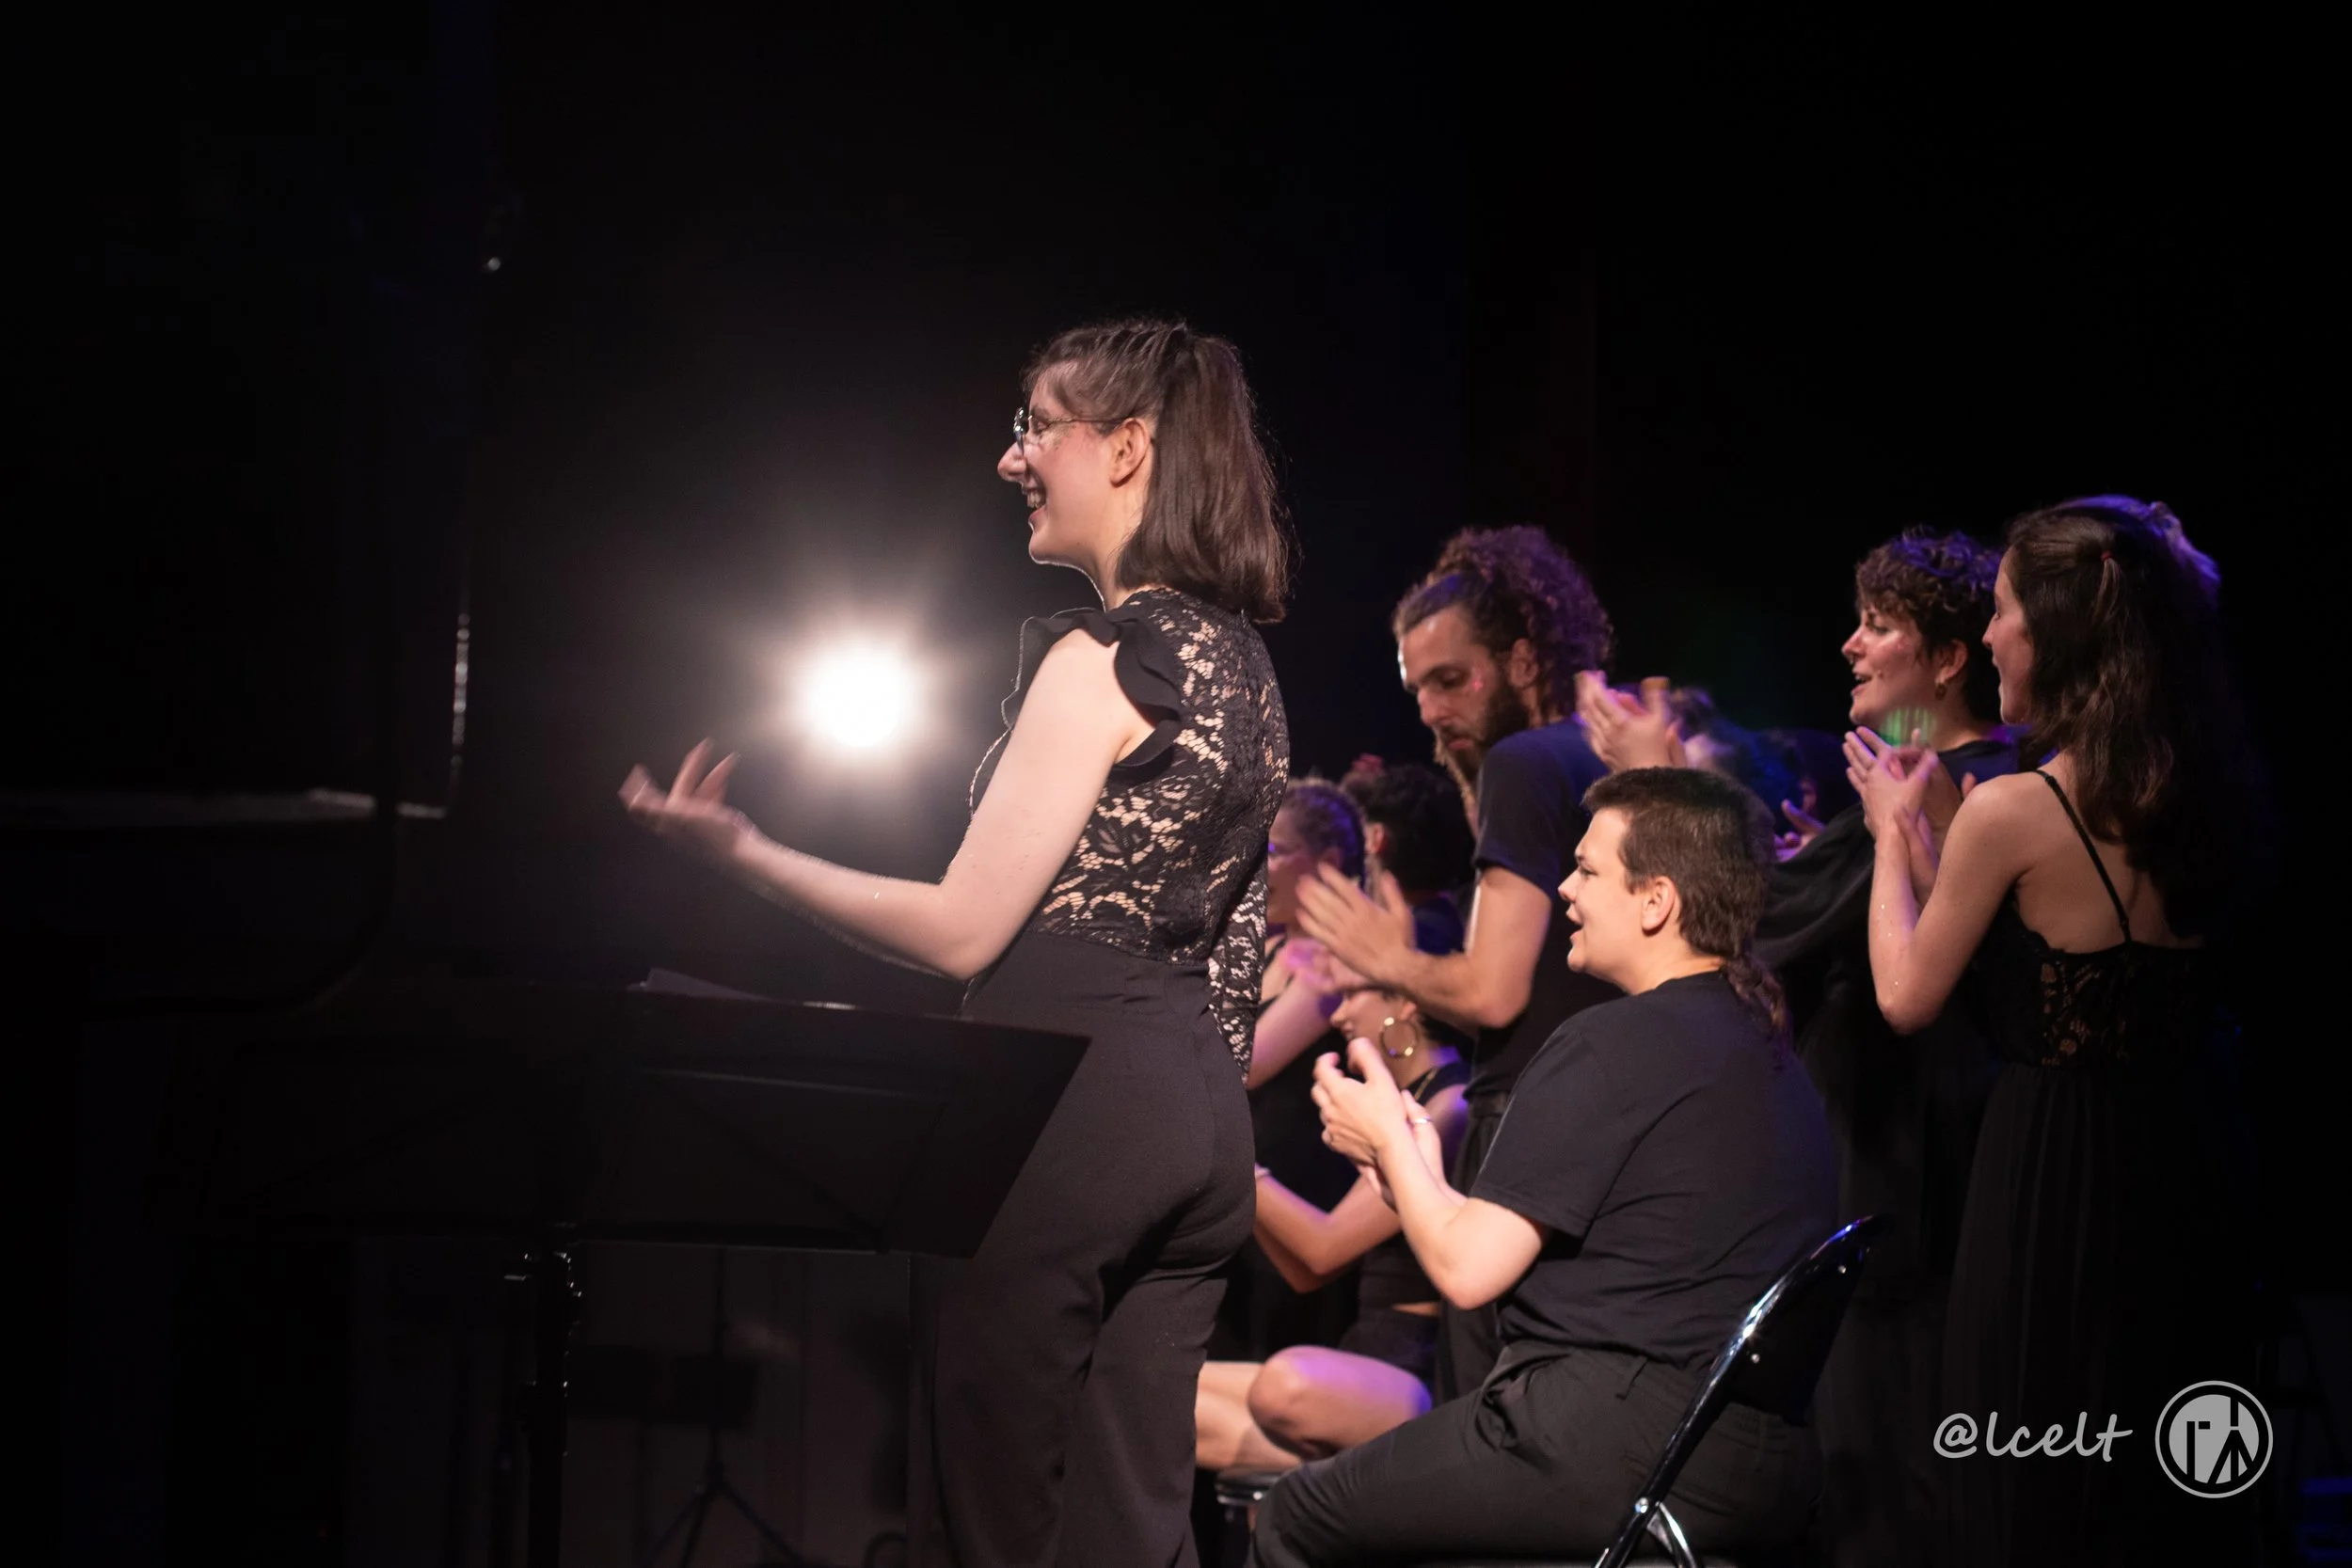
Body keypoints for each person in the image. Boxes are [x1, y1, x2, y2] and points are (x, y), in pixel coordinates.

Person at [620, 317, 1291, 1568]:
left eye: (1038, 423)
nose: (1009, 457)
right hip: (1199, 1112)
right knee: (1133, 1529)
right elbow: (1238, 954)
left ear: (1128, 447)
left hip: (1071, 1092)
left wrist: (742, 853)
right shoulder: (1241, 665)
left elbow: (965, 925)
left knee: (992, 1517)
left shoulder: (1104, 657)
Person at [1250, 768, 1837, 1565]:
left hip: (1604, 1440)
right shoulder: (1772, 1051)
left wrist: (1391, 1136)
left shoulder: (1614, 1041)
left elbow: (1465, 1272)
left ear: (1656, 900)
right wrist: (1412, 1162)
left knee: (1295, 1513)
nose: (1564, 887)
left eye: (1590, 870)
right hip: (1747, 1458)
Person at [1847, 497, 2262, 1566]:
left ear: (2058, 631)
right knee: (2161, 1473)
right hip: (2188, 1155)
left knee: (2035, 1460)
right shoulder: (2210, 792)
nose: (1987, 636)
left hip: (2052, 1169)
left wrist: (1894, 835)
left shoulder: (2015, 808)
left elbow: (1906, 995)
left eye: (1999, 610)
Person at [1295, 526, 1620, 1399]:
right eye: (1418, 691)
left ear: (1522, 658)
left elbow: (1490, 989)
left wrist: (1387, 958)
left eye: (1451, 680)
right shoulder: (1603, 754)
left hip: (1527, 1143)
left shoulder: (1524, 762)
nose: (1433, 712)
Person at [1197, 974, 1470, 1472]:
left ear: (1407, 1000)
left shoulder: (1448, 1107)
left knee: (1285, 1386)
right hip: (1366, 1345)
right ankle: (1323, 1482)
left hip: (1416, 1361)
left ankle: (1326, 1483)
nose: (1338, 1015)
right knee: (1154, 1389)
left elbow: (1325, 1247)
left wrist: (1227, 1150)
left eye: (1352, 994)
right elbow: (1309, 1272)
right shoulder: (1409, 1102)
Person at [1217, 780, 1375, 1368]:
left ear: (1329, 863)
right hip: (1242, 1206)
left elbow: (1245, 1063)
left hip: (1298, 1199)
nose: (1259, 863)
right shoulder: (1269, 949)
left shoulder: (1338, 959)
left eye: (1276, 849)